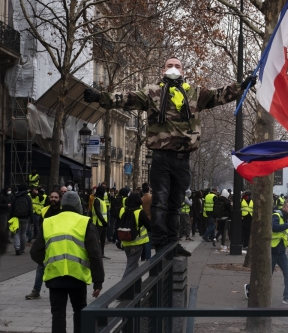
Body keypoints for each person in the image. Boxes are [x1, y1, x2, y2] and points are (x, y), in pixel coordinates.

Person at [83, 57, 255, 257]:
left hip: (183, 159)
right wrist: (99, 97)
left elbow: (219, 95)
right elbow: (126, 98)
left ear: (183, 71)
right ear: (162, 70)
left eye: (177, 66)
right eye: (169, 66)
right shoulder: (151, 92)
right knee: (160, 202)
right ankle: (161, 243)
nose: (173, 69)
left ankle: (173, 244)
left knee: (176, 204)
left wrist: (241, 86)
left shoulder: (195, 93)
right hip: (161, 158)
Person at [30, 190, 104, 333]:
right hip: (77, 276)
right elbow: (95, 254)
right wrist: (98, 281)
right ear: (78, 205)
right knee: (80, 311)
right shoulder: (84, 221)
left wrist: (48, 263)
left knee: (57, 314)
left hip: (55, 276)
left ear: (62, 204)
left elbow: (35, 252)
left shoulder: (49, 221)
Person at [26, 190, 63, 300]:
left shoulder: (63, 211)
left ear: (60, 198)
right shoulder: (44, 210)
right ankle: (36, 291)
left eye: (56, 197)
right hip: (47, 243)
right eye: (51, 197)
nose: (53, 199)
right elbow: (41, 227)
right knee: (40, 267)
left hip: (60, 243)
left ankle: (61, 291)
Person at [271, 199, 288, 304]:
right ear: (283, 207)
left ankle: (287, 297)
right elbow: (274, 228)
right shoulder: (276, 215)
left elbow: (284, 238)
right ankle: (251, 289)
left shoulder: (287, 219)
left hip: (281, 252)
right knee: (267, 275)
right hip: (272, 250)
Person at [119, 193, 152, 279]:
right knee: (131, 266)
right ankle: (122, 288)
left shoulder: (123, 210)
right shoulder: (140, 212)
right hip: (137, 243)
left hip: (125, 242)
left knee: (134, 264)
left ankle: (137, 286)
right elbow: (149, 226)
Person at [9, 185, 32, 256]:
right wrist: (31, 220)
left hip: (16, 217)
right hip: (25, 217)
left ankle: (17, 247)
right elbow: (30, 209)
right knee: (23, 233)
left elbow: (12, 208)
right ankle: (22, 248)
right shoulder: (28, 197)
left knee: (17, 233)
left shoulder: (15, 197)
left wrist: (10, 217)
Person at [91, 186, 110, 259]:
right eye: (104, 191)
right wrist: (103, 221)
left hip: (103, 223)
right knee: (97, 240)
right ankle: (98, 254)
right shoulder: (97, 200)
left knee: (102, 240)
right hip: (98, 223)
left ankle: (102, 253)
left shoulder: (102, 200)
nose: (105, 193)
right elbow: (98, 212)